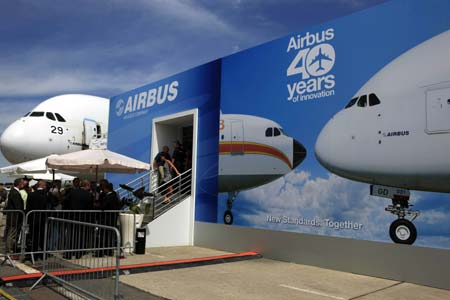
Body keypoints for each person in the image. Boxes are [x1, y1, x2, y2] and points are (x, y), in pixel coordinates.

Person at [25, 180, 49, 258]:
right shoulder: (46, 195)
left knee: (34, 237)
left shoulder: (31, 195)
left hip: (33, 218)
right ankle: (43, 254)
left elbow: (28, 208)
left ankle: (34, 254)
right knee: (42, 237)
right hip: (43, 219)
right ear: (43, 186)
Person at [5, 178, 24, 258]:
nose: (23, 184)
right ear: (19, 183)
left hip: (14, 217)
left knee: (12, 234)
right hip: (14, 217)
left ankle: (11, 251)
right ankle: (9, 252)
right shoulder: (15, 193)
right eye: (22, 183)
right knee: (12, 235)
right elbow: (18, 206)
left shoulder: (14, 192)